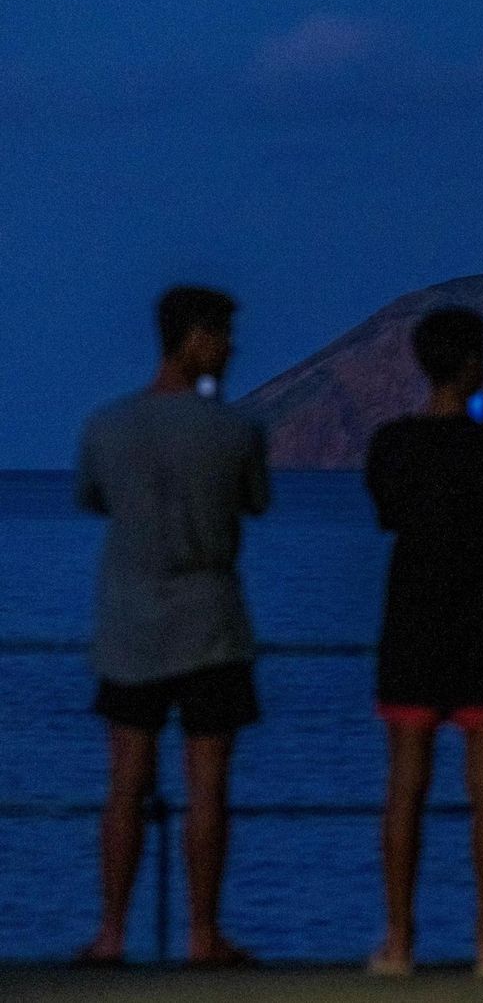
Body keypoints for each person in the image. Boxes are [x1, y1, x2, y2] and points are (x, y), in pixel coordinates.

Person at [75, 285, 270, 967]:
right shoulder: (236, 430)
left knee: (125, 782)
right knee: (208, 786)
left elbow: (92, 498)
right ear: (194, 339)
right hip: (212, 626)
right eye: (222, 337)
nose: (231, 351)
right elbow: (257, 502)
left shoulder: (105, 426)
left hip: (131, 626)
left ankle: (111, 935)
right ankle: (202, 934)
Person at [363, 307, 483, 978]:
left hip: (411, 620)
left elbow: (388, 515)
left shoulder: (391, 444)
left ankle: (400, 941)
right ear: (472, 365)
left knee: (405, 784)